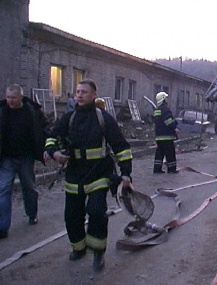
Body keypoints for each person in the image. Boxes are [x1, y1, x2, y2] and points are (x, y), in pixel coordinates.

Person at [44, 79, 132, 271]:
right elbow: (51, 138)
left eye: (84, 92)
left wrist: (126, 174)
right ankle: (79, 248)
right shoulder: (69, 118)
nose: (80, 95)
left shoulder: (103, 118)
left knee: (96, 212)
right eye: (77, 92)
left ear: (93, 95)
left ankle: (98, 252)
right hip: (74, 176)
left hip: (100, 173)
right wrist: (55, 153)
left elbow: (121, 147)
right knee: (72, 216)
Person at [0, 84, 50, 239]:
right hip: (6, 158)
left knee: (29, 188)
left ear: (20, 97)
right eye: (8, 97)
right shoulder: (2, 111)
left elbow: (45, 129)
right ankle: (3, 227)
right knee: (3, 190)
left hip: (25, 158)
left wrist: (47, 148)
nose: (10, 100)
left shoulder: (32, 112)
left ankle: (32, 213)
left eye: (13, 97)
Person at [153, 92, 179, 174]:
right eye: (166, 98)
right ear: (163, 99)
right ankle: (172, 169)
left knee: (159, 153)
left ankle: (157, 169)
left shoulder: (157, 110)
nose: (167, 100)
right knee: (170, 153)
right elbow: (169, 122)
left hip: (159, 136)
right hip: (167, 136)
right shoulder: (165, 109)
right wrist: (175, 124)